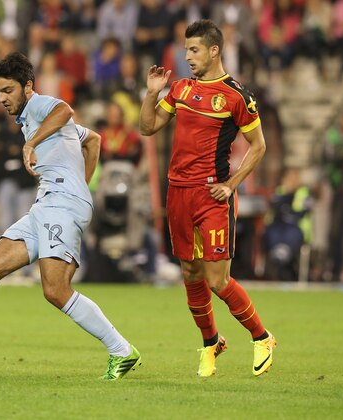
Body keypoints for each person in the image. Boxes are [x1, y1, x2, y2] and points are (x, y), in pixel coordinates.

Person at [0, 52, 141, 380]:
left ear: (27, 87)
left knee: (55, 290)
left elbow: (65, 110)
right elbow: (93, 140)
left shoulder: (39, 106)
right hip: (48, 204)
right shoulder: (34, 120)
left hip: (61, 203)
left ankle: (121, 349)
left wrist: (31, 145)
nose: (1, 98)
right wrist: (82, 185)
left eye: (8, 90)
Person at [139, 20, 276, 377]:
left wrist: (232, 185)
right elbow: (148, 127)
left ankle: (262, 337)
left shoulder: (236, 95)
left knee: (217, 280)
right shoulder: (181, 89)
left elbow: (259, 147)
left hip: (212, 195)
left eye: (194, 50)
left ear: (214, 50)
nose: (188, 57)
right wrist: (152, 92)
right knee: (189, 273)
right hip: (177, 193)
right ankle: (210, 342)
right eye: (186, 50)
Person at [322, 107, 343, 282]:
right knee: (335, 232)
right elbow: (328, 160)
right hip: (339, 190)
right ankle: (334, 271)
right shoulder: (332, 136)